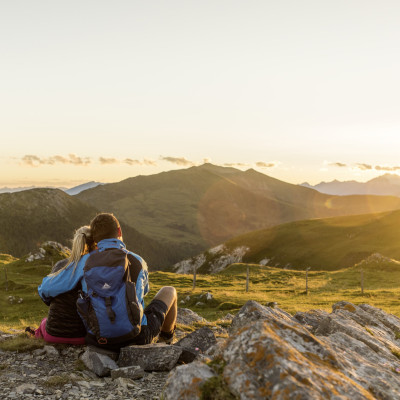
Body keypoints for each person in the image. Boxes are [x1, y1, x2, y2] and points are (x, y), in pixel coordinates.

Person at [84, 213, 177, 351]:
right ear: (119, 231)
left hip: (97, 339)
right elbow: (143, 292)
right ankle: (167, 339)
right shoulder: (136, 260)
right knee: (169, 291)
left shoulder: (85, 262)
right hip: (136, 337)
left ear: (94, 238)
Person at [29, 226, 96, 344]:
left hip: (53, 334)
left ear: (76, 242)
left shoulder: (62, 265)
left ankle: (37, 334)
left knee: (44, 322)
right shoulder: (97, 267)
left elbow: (45, 296)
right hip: (83, 336)